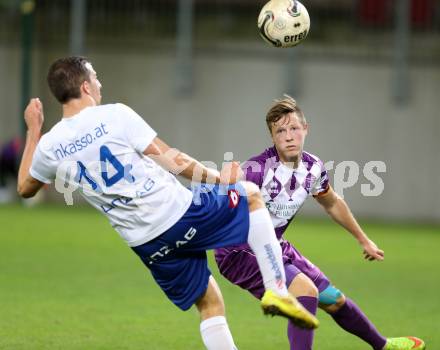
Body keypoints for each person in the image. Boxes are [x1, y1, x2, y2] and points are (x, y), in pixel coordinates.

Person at [16, 57, 318, 350]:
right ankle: (277, 290)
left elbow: (25, 188)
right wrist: (220, 179)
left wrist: (33, 133)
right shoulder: (114, 115)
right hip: (179, 214)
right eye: (95, 77)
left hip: (146, 244)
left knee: (209, 302)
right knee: (251, 193)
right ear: (84, 87)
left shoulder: (50, 145)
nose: (99, 83)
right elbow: (173, 160)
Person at [214, 95, 425, 350]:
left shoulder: (313, 167)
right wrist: (225, 184)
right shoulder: (258, 169)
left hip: (275, 245)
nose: (289, 136)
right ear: (272, 137)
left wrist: (363, 239)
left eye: (294, 128)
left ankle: (383, 345)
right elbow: (224, 205)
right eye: (280, 131)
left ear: (306, 129)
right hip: (240, 251)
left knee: (332, 299)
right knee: (306, 290)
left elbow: (332, 203)